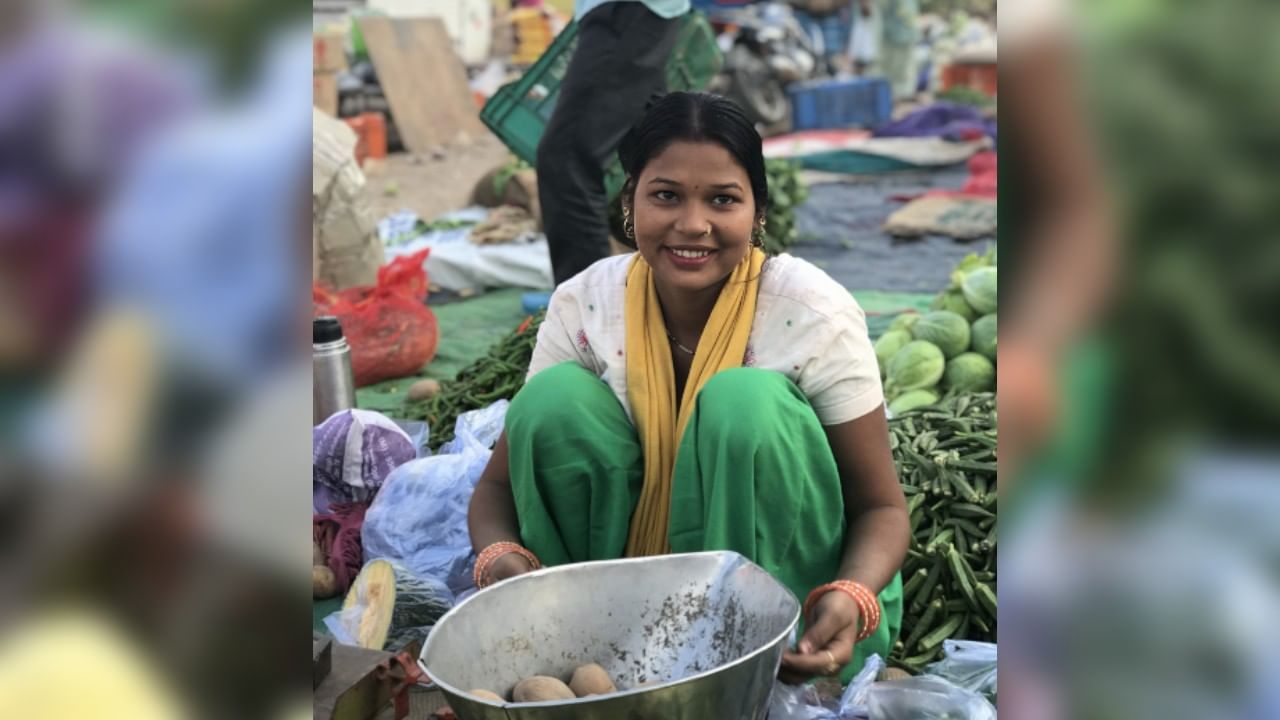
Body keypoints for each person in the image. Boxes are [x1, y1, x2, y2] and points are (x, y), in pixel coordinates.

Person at [469, 92, 907, 682]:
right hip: (614, 602)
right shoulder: (587, 304)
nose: (692, 224)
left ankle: (749, 646)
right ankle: (586, 643)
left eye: (723, 199)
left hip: (799, 607)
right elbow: (495, 490)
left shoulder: (808, 311)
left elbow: (881, 507)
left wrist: (851, 594)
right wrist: (502, 561)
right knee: (553, 403)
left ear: (757, 213)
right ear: (630, 204)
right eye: (666, 195)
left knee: (742, 404)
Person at [537, 0, 690, 287]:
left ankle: (587, 314)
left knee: (566, 161)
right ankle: (686, 295)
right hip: (638, 12)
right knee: (656, 159)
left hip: (626, 9)